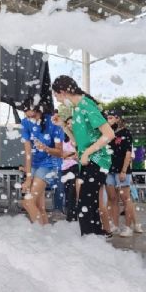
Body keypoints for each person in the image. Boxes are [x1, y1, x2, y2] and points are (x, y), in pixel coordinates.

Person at [51, 75, 114, 236]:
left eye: (57, 95)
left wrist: (87, 153)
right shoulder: (76, 109)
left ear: (64, 92)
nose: (57, 100)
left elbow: (109, 134)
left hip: (97, 160)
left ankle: (90, 242)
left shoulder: (86, 105)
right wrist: (63, 126)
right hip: (88, 161)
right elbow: (78, 143)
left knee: (85, 206)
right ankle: (96, 238)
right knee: (88, 205)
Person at [19, 101, 63, 225]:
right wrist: (28, 178)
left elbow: (60, 152)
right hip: (35, 163)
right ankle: (46, 235)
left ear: (41, 111)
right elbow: (28, 153)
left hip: (51, 162)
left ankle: (40, 237)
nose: (30, 120)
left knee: (28, 202)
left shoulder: (53, 122)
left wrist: (46, 148)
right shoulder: (25, 123)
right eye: (28, 116)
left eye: (33, 116)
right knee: (39, 206)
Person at [102, 111, 141, 237]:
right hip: (109, 170)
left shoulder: (125, 132)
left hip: (122, 170)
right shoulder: (108, 132)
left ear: (118, 118)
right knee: (112, 198)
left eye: (111, 117)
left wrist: (124, 170)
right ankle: (115, 225)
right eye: (107, 117)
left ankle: (128, 227)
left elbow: (128, 153)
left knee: (125, 199)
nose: (108, 119)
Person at [59, 117, 78, 222]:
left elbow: (78, 154)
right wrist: (71, 154)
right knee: (66, 193)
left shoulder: (78, 138)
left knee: (72, 193)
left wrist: (69, 155)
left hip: (74, 167)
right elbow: (60, 154)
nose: (70, 125)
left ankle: (72, 217)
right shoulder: (63, 138)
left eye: (72, 123)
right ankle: (69, 217)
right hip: (64, 168)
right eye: (68, 123)